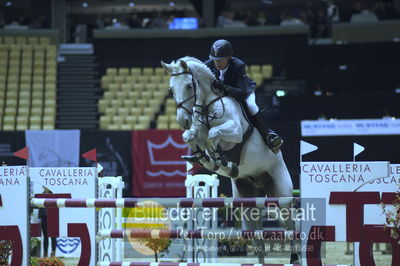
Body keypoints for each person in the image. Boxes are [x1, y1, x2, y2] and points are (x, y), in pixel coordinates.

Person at [204, 39, 283, 154]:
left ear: (229, 57)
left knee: (251, 106)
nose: (217, 63)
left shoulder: (238, 65)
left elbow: (240, 93)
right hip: (221, 95)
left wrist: (223, 87)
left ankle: (268, 135)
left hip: (242, 91)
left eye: (220, 59)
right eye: (215, 59)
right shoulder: (208, 65)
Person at [38, 187, 57, 257]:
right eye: (44, 187)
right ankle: (45, 253)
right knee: (45, 236)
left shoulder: (53, 194)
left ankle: (53, 252)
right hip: (44, 217)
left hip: (52, 217)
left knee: (53, 235)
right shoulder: (41, 195)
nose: (45, 188)